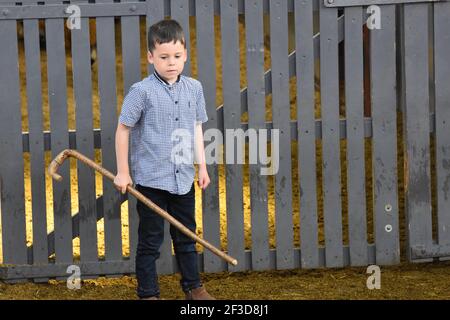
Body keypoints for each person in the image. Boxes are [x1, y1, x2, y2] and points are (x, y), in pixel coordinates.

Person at [114, 19, 214, 300]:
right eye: (164, 57)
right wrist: (123, 172)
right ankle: (148, 293)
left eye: (177, 56)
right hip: (151, 181)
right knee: (150, 241)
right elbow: (123, 130)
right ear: (150, 57)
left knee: (186, 237)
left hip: (183, 179)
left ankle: (194, 288)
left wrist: (202, 166)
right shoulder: (141, 92)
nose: (172, 63)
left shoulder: (194, 88)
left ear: (186, 54)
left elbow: (196, 127)